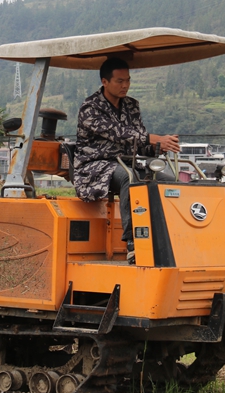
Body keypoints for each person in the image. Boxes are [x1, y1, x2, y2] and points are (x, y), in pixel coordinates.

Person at [74, 57, 180, 264]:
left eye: (128, 81)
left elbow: (139, 143)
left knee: (169, 179)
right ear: (105, 82)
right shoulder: (90, 108)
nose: (125, 86)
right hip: (96, 166)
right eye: (119, 81)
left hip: (127, 161)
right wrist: (153, 138)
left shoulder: (131, 105)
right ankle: (134, 244)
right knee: (130, 178)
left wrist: (160, 146)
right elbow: (119, 134)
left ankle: (170, 238)